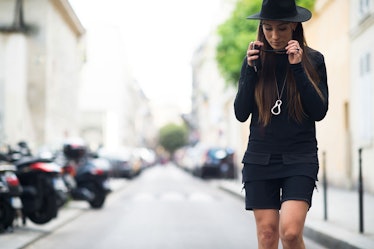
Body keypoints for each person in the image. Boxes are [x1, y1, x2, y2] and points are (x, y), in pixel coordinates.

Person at [234, 0, 328, 249]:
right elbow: (241, 113)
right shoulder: (253, 62)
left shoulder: (313, 60)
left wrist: (297, 68)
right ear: (261, 27)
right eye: (268, 28)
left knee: (289, 233)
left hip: (300, 158)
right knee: (267, 235)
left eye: (282, 28)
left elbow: (319, 111)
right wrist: (250, 72)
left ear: (295, 27)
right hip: (260, 159)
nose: (274, 36)